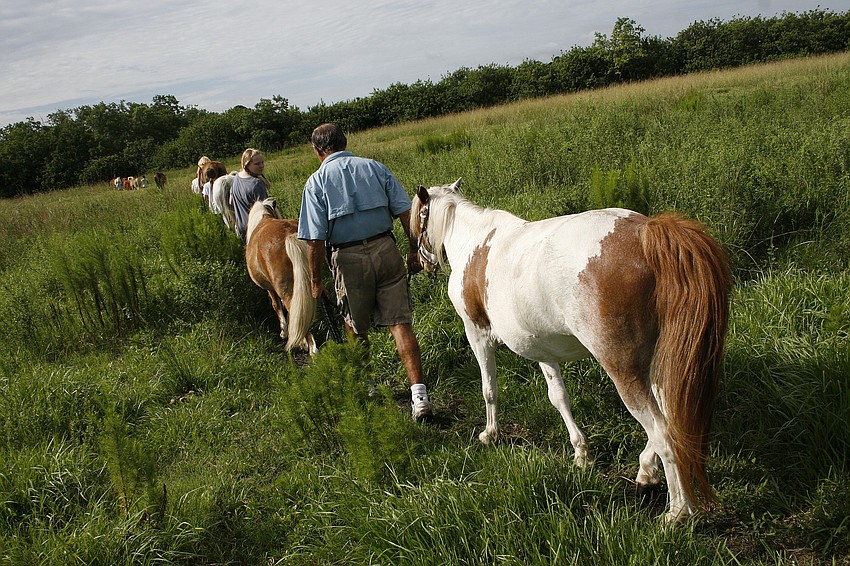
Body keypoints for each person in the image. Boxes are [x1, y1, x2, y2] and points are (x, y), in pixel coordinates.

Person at [298, 123, 433, 421]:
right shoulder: (375, 168)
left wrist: (316, 281)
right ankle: (419, 396)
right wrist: (413, 251)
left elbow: (315, 240)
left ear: (317, 151)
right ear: (345, 142)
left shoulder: (316, 182)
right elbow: (406, 213)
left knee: (354, 327)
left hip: (348, 258)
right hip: (386, 249)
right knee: (400, 323)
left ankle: (370, 385)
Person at [230, 148, 270, 243]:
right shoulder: (256, 184)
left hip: (241, 229)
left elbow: (230, 202)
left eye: (262, 162)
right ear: (247, 164)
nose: (261, 166)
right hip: (255, 229)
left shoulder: (236, 178)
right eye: (257, 164)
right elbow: (266, 212)